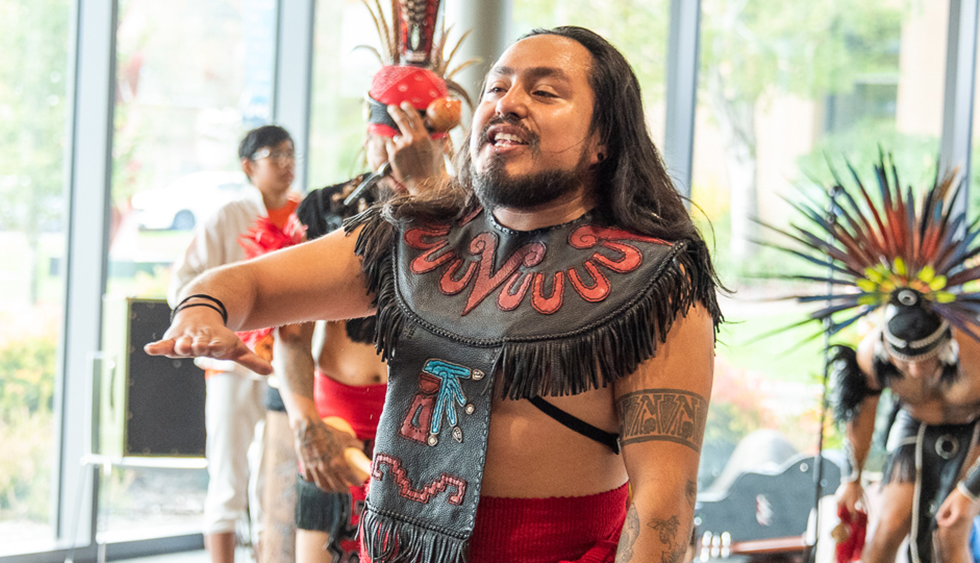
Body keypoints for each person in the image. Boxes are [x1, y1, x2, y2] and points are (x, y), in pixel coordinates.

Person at [150, 25, 721, 563]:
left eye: (545, 91)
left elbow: (663, 502)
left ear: (603, 140)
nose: (508, 101)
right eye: (496, 87)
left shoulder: (658, 281)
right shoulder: (406, 235)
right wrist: (203, 310)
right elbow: (245, 283)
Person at [279, 4, 471, 561]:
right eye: (385, 147)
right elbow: (289, 333)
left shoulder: (467, 215)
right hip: (334, 410)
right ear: (370, 139)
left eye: (409, 148)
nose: (394, 162)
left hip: (422, 418)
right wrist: (304, 422)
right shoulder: (326, 208)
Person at [762, 154, 980, 563]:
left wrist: (969, 491)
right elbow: (861, 414)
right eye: (904, 362)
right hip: (917, 425)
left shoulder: (976, 352)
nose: (915, 370)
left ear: (946, 343)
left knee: (950, 535)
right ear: (886, 349)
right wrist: (854, 477)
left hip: (976, 429)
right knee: (885, 531)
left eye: (927, 359)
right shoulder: (870, 355)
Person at [167, 124, 300, 563]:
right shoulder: (227, 216)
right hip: (233, 364)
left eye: (290, 153)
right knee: (228, 474)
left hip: (288, 363)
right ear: (249, 165)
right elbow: (183, 283)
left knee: (276, 477)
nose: (285, 163)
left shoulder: (307, 215)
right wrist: (212, 323)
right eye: (273, 154)